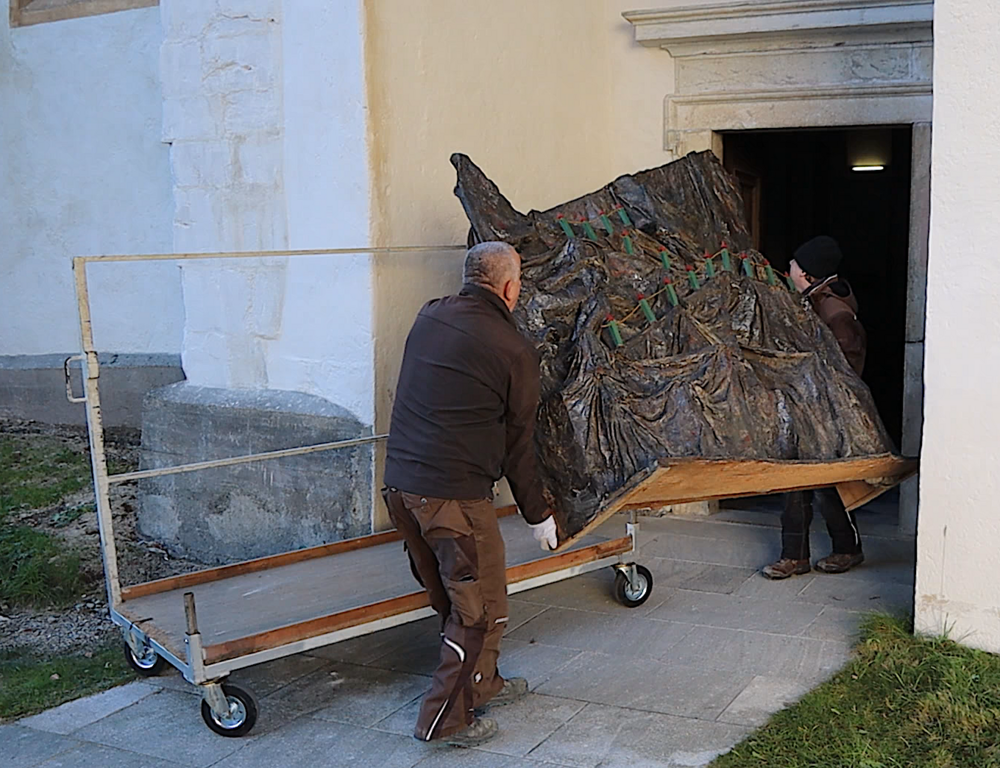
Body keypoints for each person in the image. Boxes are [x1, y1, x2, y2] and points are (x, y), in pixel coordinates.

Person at [382, 241, 558, 747]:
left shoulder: (431, 315)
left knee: (466, 601)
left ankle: (483, 683)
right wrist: (538, 515)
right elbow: (518, 446)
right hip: (452, 499)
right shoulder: (514, 351)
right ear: (509, 287)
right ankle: (444, 722)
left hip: (402, 490)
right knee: (478, 610)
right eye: (519, 281)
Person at [763, 235, 868, 580]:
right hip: (804, 405)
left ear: (806, 273)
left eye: (793, 265)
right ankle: (794, 556)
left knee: (826, 485)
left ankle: (847, 548)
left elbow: (847, 367)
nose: (787, 269)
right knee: (794, 481)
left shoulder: (835, 313)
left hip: (823, 410)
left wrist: (821, 399)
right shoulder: (812, 300)